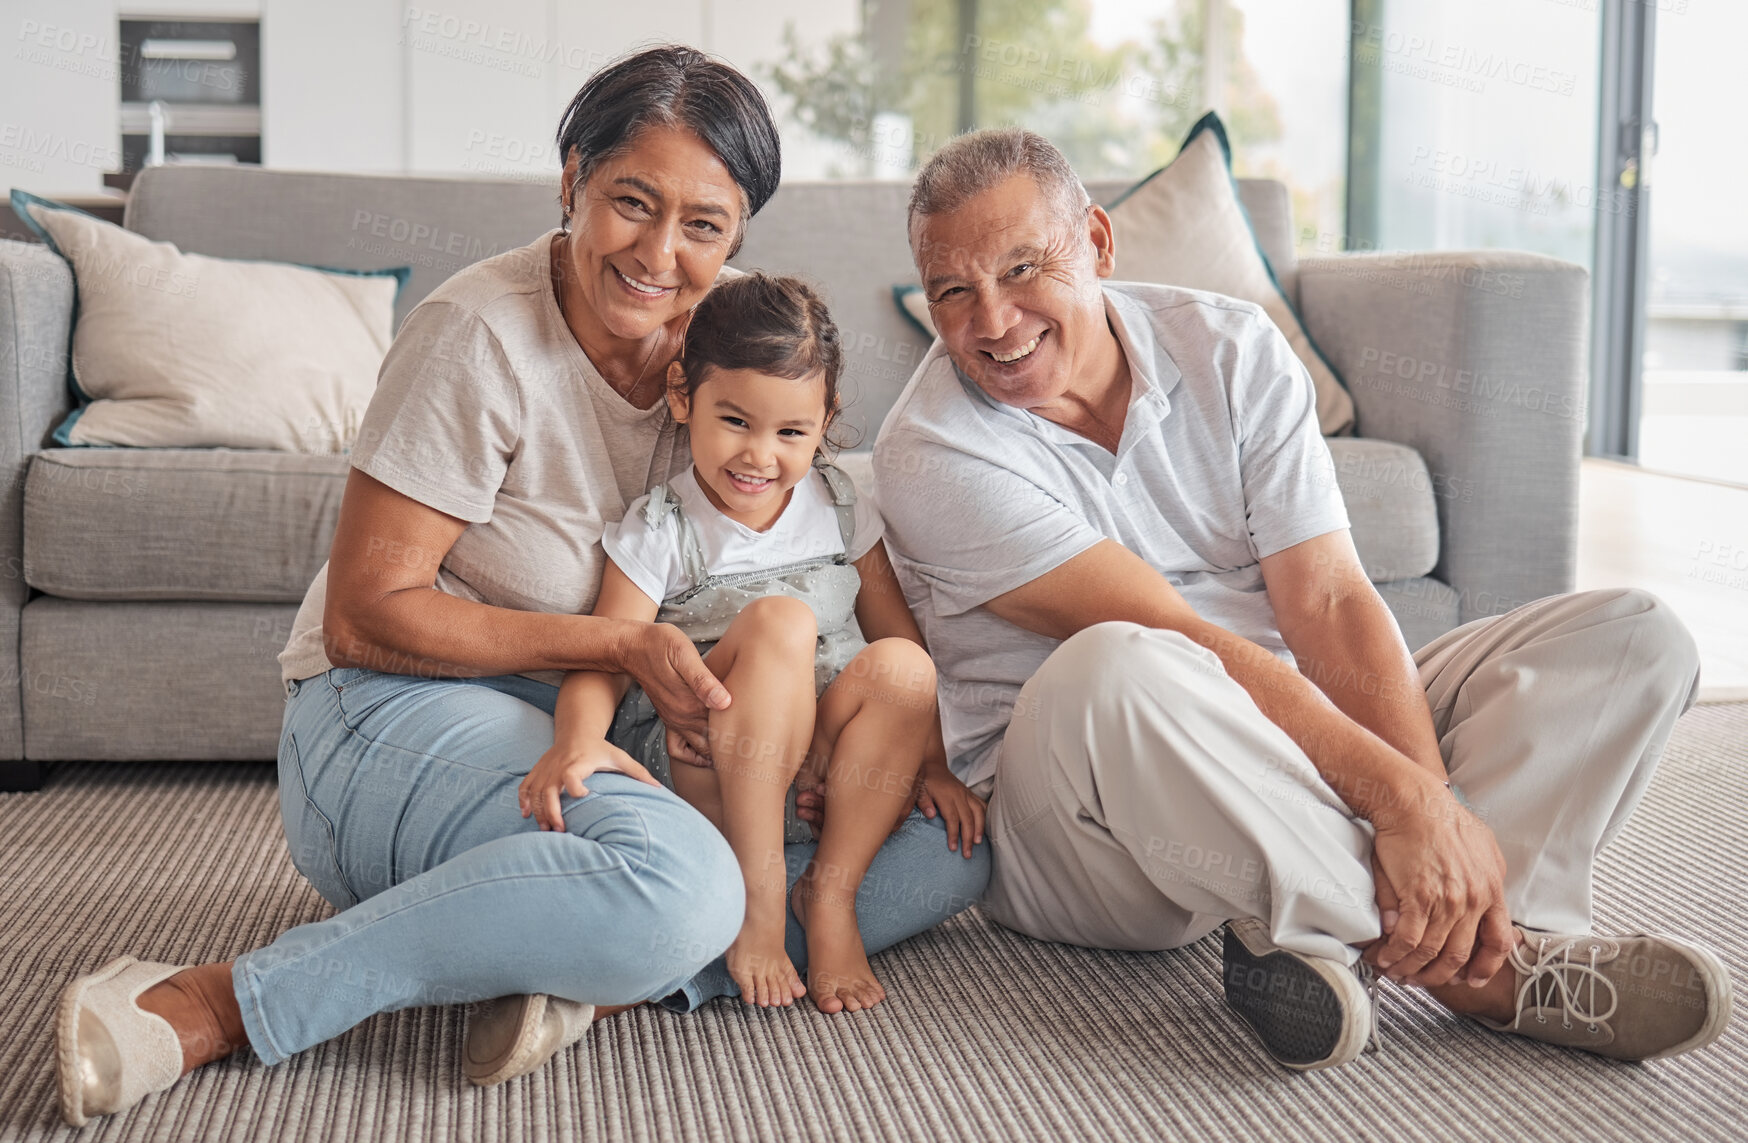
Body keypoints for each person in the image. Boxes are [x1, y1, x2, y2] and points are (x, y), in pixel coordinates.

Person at [53, 47, 988, 1129]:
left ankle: (574, 965)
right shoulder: (478, 336)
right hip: (392, 711)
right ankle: (220, 1000)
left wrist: (818, 735)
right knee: (685, 887)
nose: (659, 254)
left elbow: (806, 557)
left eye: (705, 225)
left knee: (944, 853)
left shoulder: (740, 333)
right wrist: (619, 651)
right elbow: (367, 618)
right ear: (569, 184)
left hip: (636, 721)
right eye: (629, 204)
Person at [873, 126, 1732, 1072]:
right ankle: (1492, 968)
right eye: (954, 290)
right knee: (1118, 662)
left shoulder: (1231, 346)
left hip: (1289, 728)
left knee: (1635, 639)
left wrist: (1427, 803)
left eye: (1022, 267)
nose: (992, 321)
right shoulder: (931, 451)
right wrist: (1399, 801)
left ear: (1100, 244)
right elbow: (1180, 635)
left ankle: (1329, 927)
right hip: (1083, 816)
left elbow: (1325, 600)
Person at [521, 272, 976, 1014]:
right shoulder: (663, 525)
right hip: (711, 767)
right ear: (682, 398)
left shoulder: (836, 502)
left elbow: (896, 633)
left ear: (825, 421)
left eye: (791, 432)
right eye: (735, 421)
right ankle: (757, 902)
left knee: (904, 666)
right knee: (781, 621)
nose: (759, 456)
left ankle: (828, 893)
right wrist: (576, 740)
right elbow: (606, 652)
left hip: (825, 777)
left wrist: (936, 766)